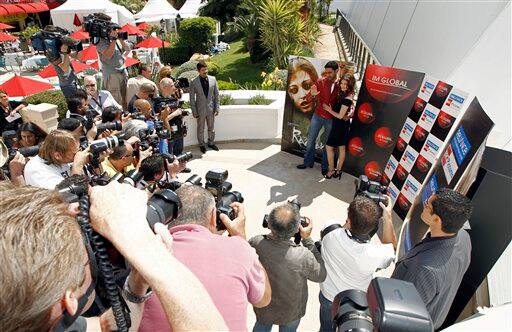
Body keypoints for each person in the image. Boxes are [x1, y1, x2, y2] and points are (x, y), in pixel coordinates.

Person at [0, 181, 227, 332]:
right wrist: (146, 249)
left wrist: (136, 286)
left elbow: (102, 325)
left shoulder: (35, 314)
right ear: (66, 302)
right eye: (89, 250)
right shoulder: (48, 312)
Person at [138, 185, 272, 332]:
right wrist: (241, 238)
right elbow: (264, 300)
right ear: (214, 216)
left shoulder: (142, 254)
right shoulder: (238, 249)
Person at [391, 188, 473, 330]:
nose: (424, 204)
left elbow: (404, 314)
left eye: (427, 205)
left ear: (436, 219)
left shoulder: (424, 270)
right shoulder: (465, 238)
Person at [319, 196, 397, 331]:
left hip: (328, 296)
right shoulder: (377, 254)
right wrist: (387, 217)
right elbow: (392, 247)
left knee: (326, 327)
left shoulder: (330, 232)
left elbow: (338, 229)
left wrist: (350, 223)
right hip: (355, 302)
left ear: (348, 220)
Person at [249, 203, 326, 331]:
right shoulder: (302, 255)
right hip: (290, 311)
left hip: (263, 306)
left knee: (261, 327)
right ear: (297, 229)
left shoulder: (256, 242)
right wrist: (307, 240)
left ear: (269, 223)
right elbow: (321, 275)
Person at [296, 61, 340, 175]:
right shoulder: (320, 81)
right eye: (326, 72)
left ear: (336, 71)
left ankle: (325, 166)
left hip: (331, 118)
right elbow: (309, 98)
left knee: (327, 144)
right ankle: (307, 162)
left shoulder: (340, 85)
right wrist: (313, 94)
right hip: (318, 115)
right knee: (310, 141)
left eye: (330, 72)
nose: (327, 74)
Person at [23, 129, 90, 189]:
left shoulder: (59, 159)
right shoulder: (36, 170)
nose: (79, 154)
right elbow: (68, 194)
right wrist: (77, 166)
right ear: (58, 155)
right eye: (75, 153)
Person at [323, 74, 356, 179]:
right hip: (342, 125)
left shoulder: (347, 98)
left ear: (349, 85)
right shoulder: (345, 93)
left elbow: (340, 116)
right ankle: (338, 171)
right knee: (341, 148)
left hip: (339, 126)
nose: (342, 86)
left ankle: (332, 170)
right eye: (341, 83)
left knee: (329, 147)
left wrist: (329, 110)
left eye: (345, 84)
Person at [95, 13, 131, 108]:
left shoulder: (111, 37)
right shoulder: (100, 40)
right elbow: (108, 54)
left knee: (126, 100)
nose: (110, 26)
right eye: (108, 24)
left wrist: (120, 39)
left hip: (122, 71)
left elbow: (127, 49)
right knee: (116, 102)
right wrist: (114, 40)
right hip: (112, 74)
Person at [189, 62, 220, 153]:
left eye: (206, 69)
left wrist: (217, 107)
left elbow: (217, 95)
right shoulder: (193, 81)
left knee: (211, 127)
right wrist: (194, 111)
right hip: (200, 109)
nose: (205, 71)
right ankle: (202, 144)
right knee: (200, 128)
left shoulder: (213, 79)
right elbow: (191, 98)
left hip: (211, 109)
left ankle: (211, 142)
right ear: (198, 71)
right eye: (203, 70)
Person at [159, 77, 185, 156]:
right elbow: (160, 119)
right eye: (172, 86)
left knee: (179, 151)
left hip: (179, 130)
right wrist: (174, 114)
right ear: (165, 88)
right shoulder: (158, 101)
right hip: (169, 132)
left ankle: (181, 166)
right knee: (169, 154)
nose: (174, 88)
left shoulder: (174, 98)